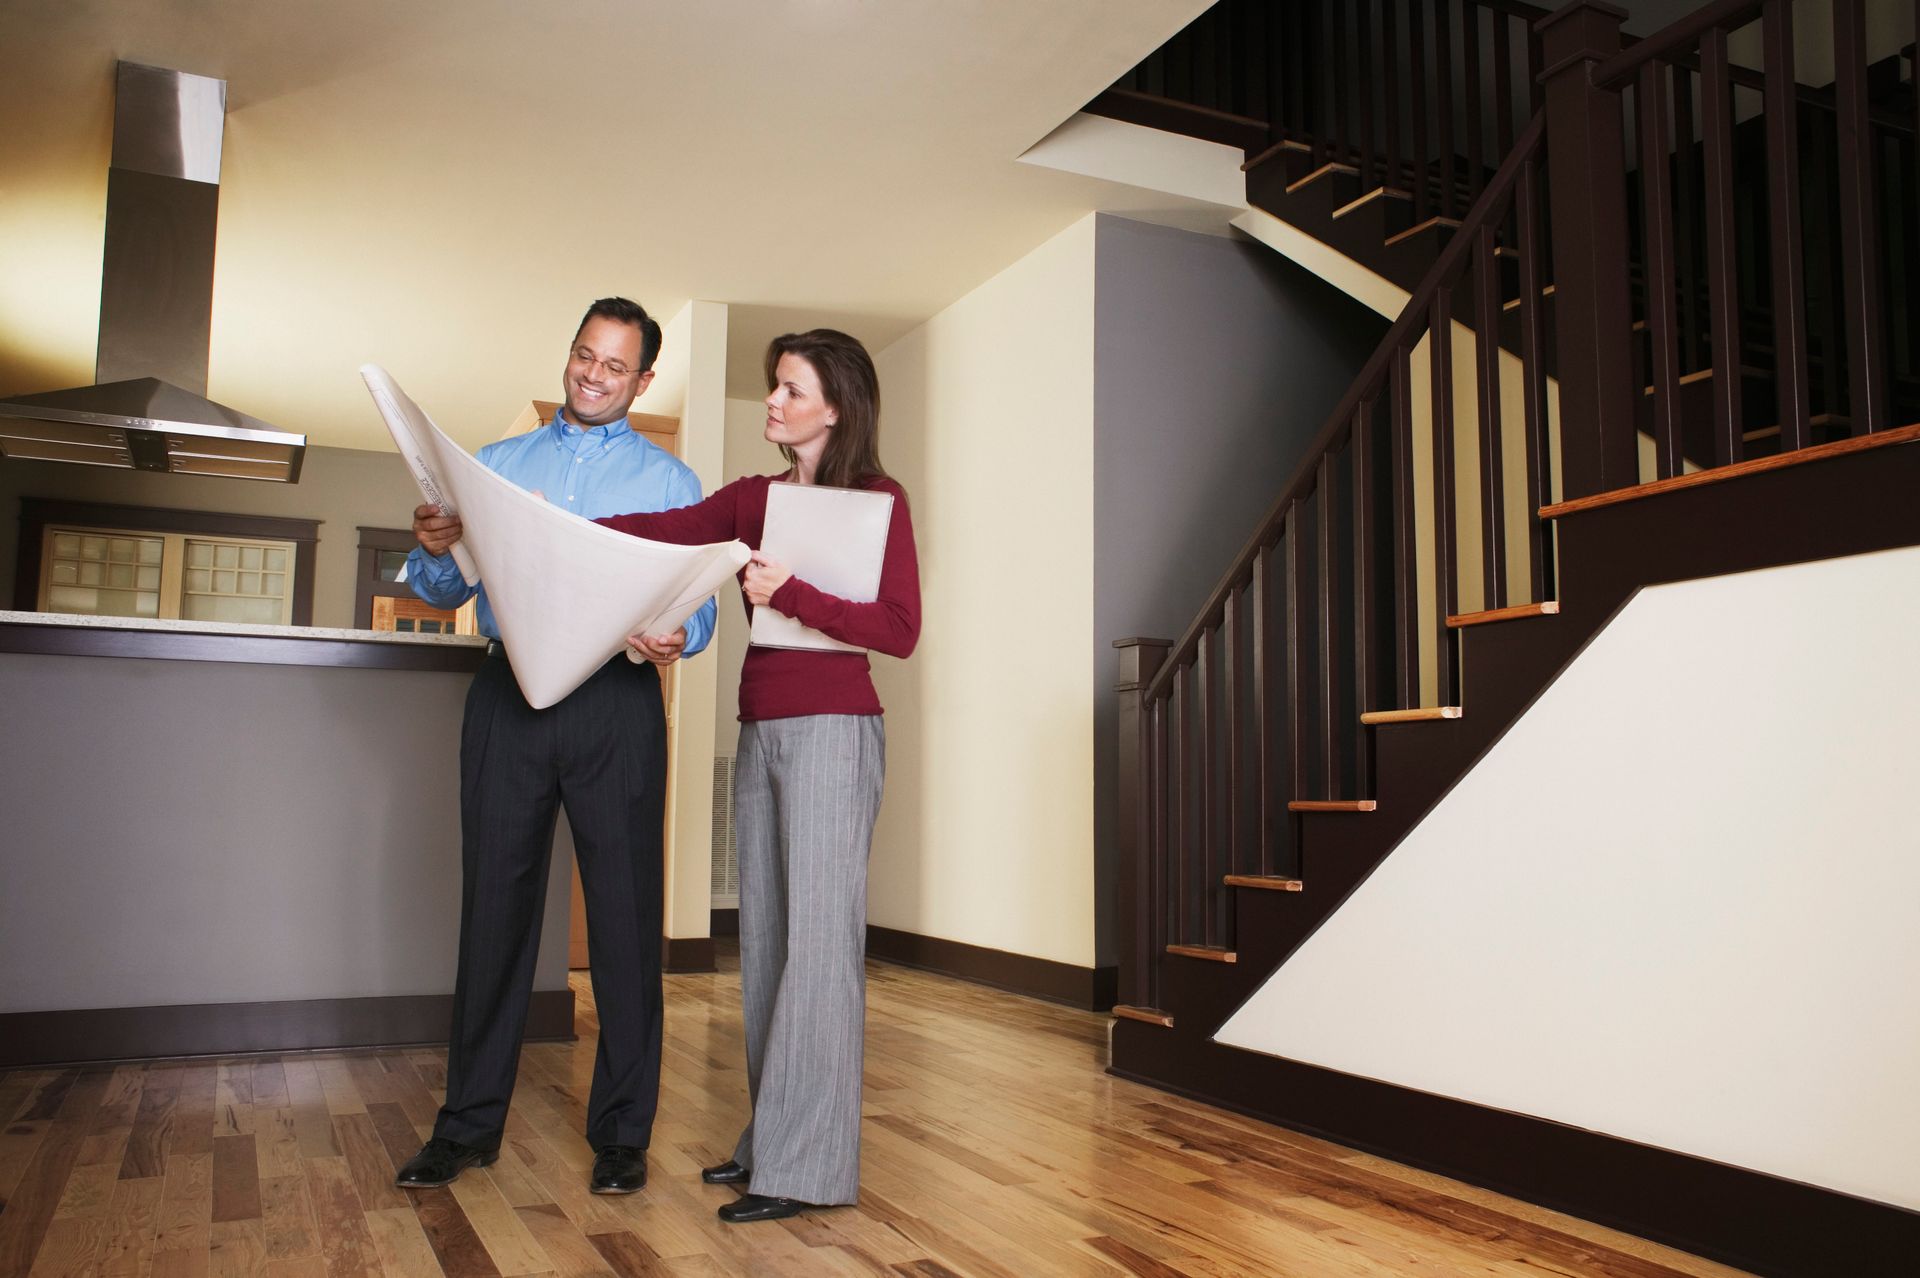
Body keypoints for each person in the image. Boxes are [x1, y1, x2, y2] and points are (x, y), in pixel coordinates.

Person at [392, 297, 717, 1196]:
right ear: (569, 354)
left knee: (621, 919)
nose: (593, 375)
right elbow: (439, 588)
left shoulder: (672, 484)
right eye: (584, 355)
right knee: (493, 912)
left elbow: (704, 611)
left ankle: (621, 1135)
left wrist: (675, 638)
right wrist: (431, 548)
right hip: (508, 695)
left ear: (643, 379)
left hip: (615, 700)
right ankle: (465, 1128)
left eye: (615, 366)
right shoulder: (495, 466)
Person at [597, 329, 919, 1223]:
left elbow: (898, 628)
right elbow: (659, 534)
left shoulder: (879, 501)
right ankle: (772, 1141)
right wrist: (550, 519)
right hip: (763, 731)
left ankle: (806, 1169)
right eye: (774, 388)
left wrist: (792, 595)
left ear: (835, 407)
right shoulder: (754, 499)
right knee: (771, 945)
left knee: (820, 951)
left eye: (788, 389)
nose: (772, 403)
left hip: (835, 732)